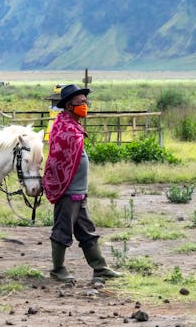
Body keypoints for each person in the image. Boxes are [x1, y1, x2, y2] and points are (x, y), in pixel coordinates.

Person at [42, 84, 122, 282]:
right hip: (68, 192)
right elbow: (57, 160)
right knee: (62, 231)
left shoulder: (73, 126)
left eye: (86, 102)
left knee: (87, 232)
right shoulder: (64, 129)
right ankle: (58, 270)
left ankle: (100, 268)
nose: (85, 106)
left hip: (79, 192)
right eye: (81, 103)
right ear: (69, 106)